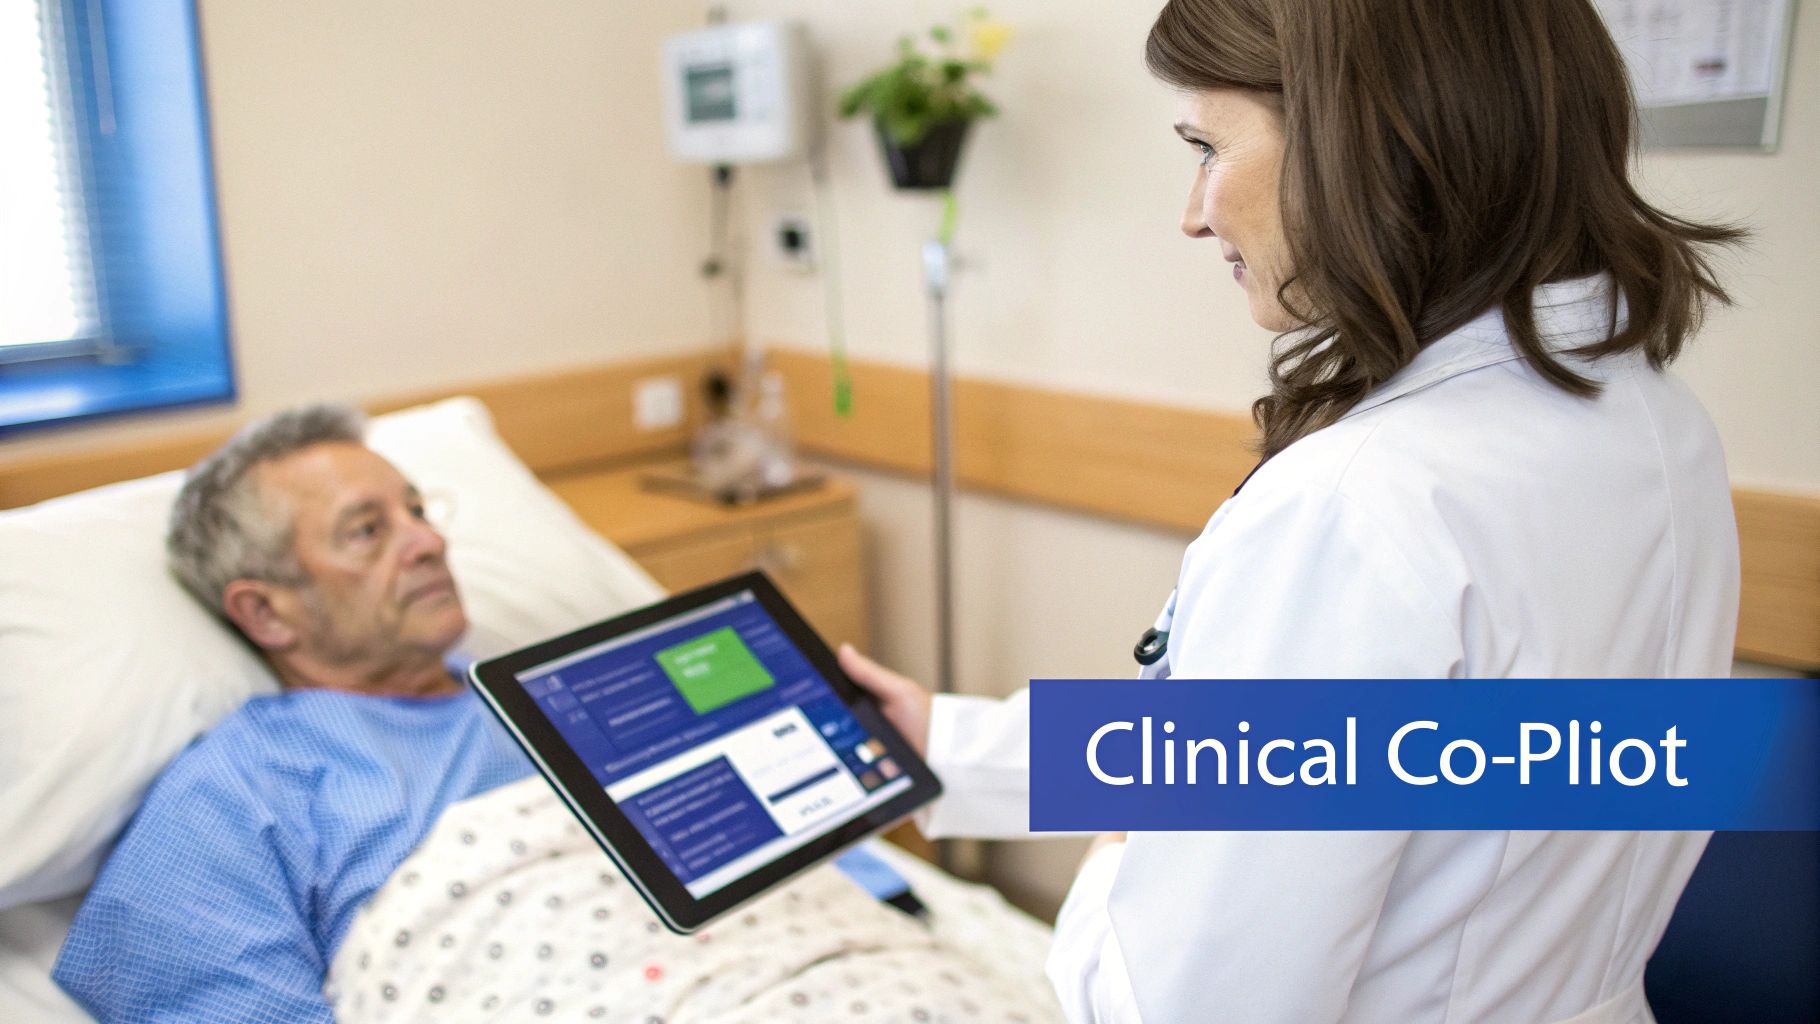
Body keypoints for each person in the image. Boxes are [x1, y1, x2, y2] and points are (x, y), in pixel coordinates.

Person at [838, 1, 1743, 1021]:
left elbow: (1176, 1007)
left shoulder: (1359, 507)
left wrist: (1134, 836)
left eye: (1206, 148)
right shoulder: (1653, 421)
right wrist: (945, 745)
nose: (1193, 213)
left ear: (1354, 145)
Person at [52, 405, 924, 1022]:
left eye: (418, 512)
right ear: (266, 611)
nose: (429, 541)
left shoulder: (571, 693)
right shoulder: (241, 789)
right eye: (368, 531)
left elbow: (792, 854)